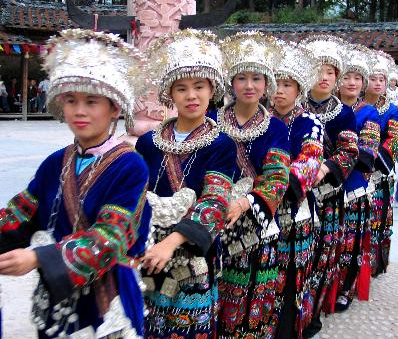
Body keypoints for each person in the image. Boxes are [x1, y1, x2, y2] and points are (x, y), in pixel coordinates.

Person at [0, 29, 151, 338]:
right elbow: (21, 214)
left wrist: (39, 257)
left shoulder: (131, 166)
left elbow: (110, 237)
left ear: (115, 109)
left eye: (91, 101)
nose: (79, 111)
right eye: (71, 100)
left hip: (107, 301)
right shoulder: (55, 161)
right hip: (57, 297)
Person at [136, 29, 237, 338]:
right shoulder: (147, 143)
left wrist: (173, 241)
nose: (191, 96)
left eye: (199, 87)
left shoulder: (221, 144)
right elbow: (137, 198)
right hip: (148, 252)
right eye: (182, 88)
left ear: (212, 90)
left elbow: (215, 201)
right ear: (170, 93)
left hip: (192, 255)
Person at [213, 31, 290, 338]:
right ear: (231, 83)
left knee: (253, 294)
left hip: (255, 222)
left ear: (266, 84)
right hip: (215, 215)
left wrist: (245, 202)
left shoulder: (275, 128)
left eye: (256, 78)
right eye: (242, 78)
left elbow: (277, 177)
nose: (249, 86)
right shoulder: (210, 120)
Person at [299, 35, 359, 338]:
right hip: (294, 195)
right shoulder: (293, 106)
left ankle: (313, 313)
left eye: (331, 72)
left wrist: (322, 168)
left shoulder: (343, 113)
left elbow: (349, 151)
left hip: (326, 196)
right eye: (318, 70)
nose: (324, 77)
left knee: (322, 254)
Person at [270, 41, 324, 338]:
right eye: (276, 83)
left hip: (294, 206)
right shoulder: (262, 120)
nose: (279, 90)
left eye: (287, 84)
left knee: (292, 272)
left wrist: (275, 184)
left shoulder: (309, 122)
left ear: (299, 89)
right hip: (261, 206)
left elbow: (310, 159)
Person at [334, 45, 380, 312]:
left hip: (352, 188)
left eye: (357, 78)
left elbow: (368, 151)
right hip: (324, 189)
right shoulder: (328, 109)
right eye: (346, 77)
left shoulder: (368, 113)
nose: (351, 83)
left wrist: (338, 161)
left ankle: (345, 289)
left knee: (350, 241)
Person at [364, 50, 398, 277]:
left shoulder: (391, 110)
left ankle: (374, 264)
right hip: (357, 170)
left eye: (382, 79)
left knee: (378, 217)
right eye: (373, 78)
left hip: (380, 171)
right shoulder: (355, 107)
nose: (378, 83)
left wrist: (377, 157)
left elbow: (396, 139)